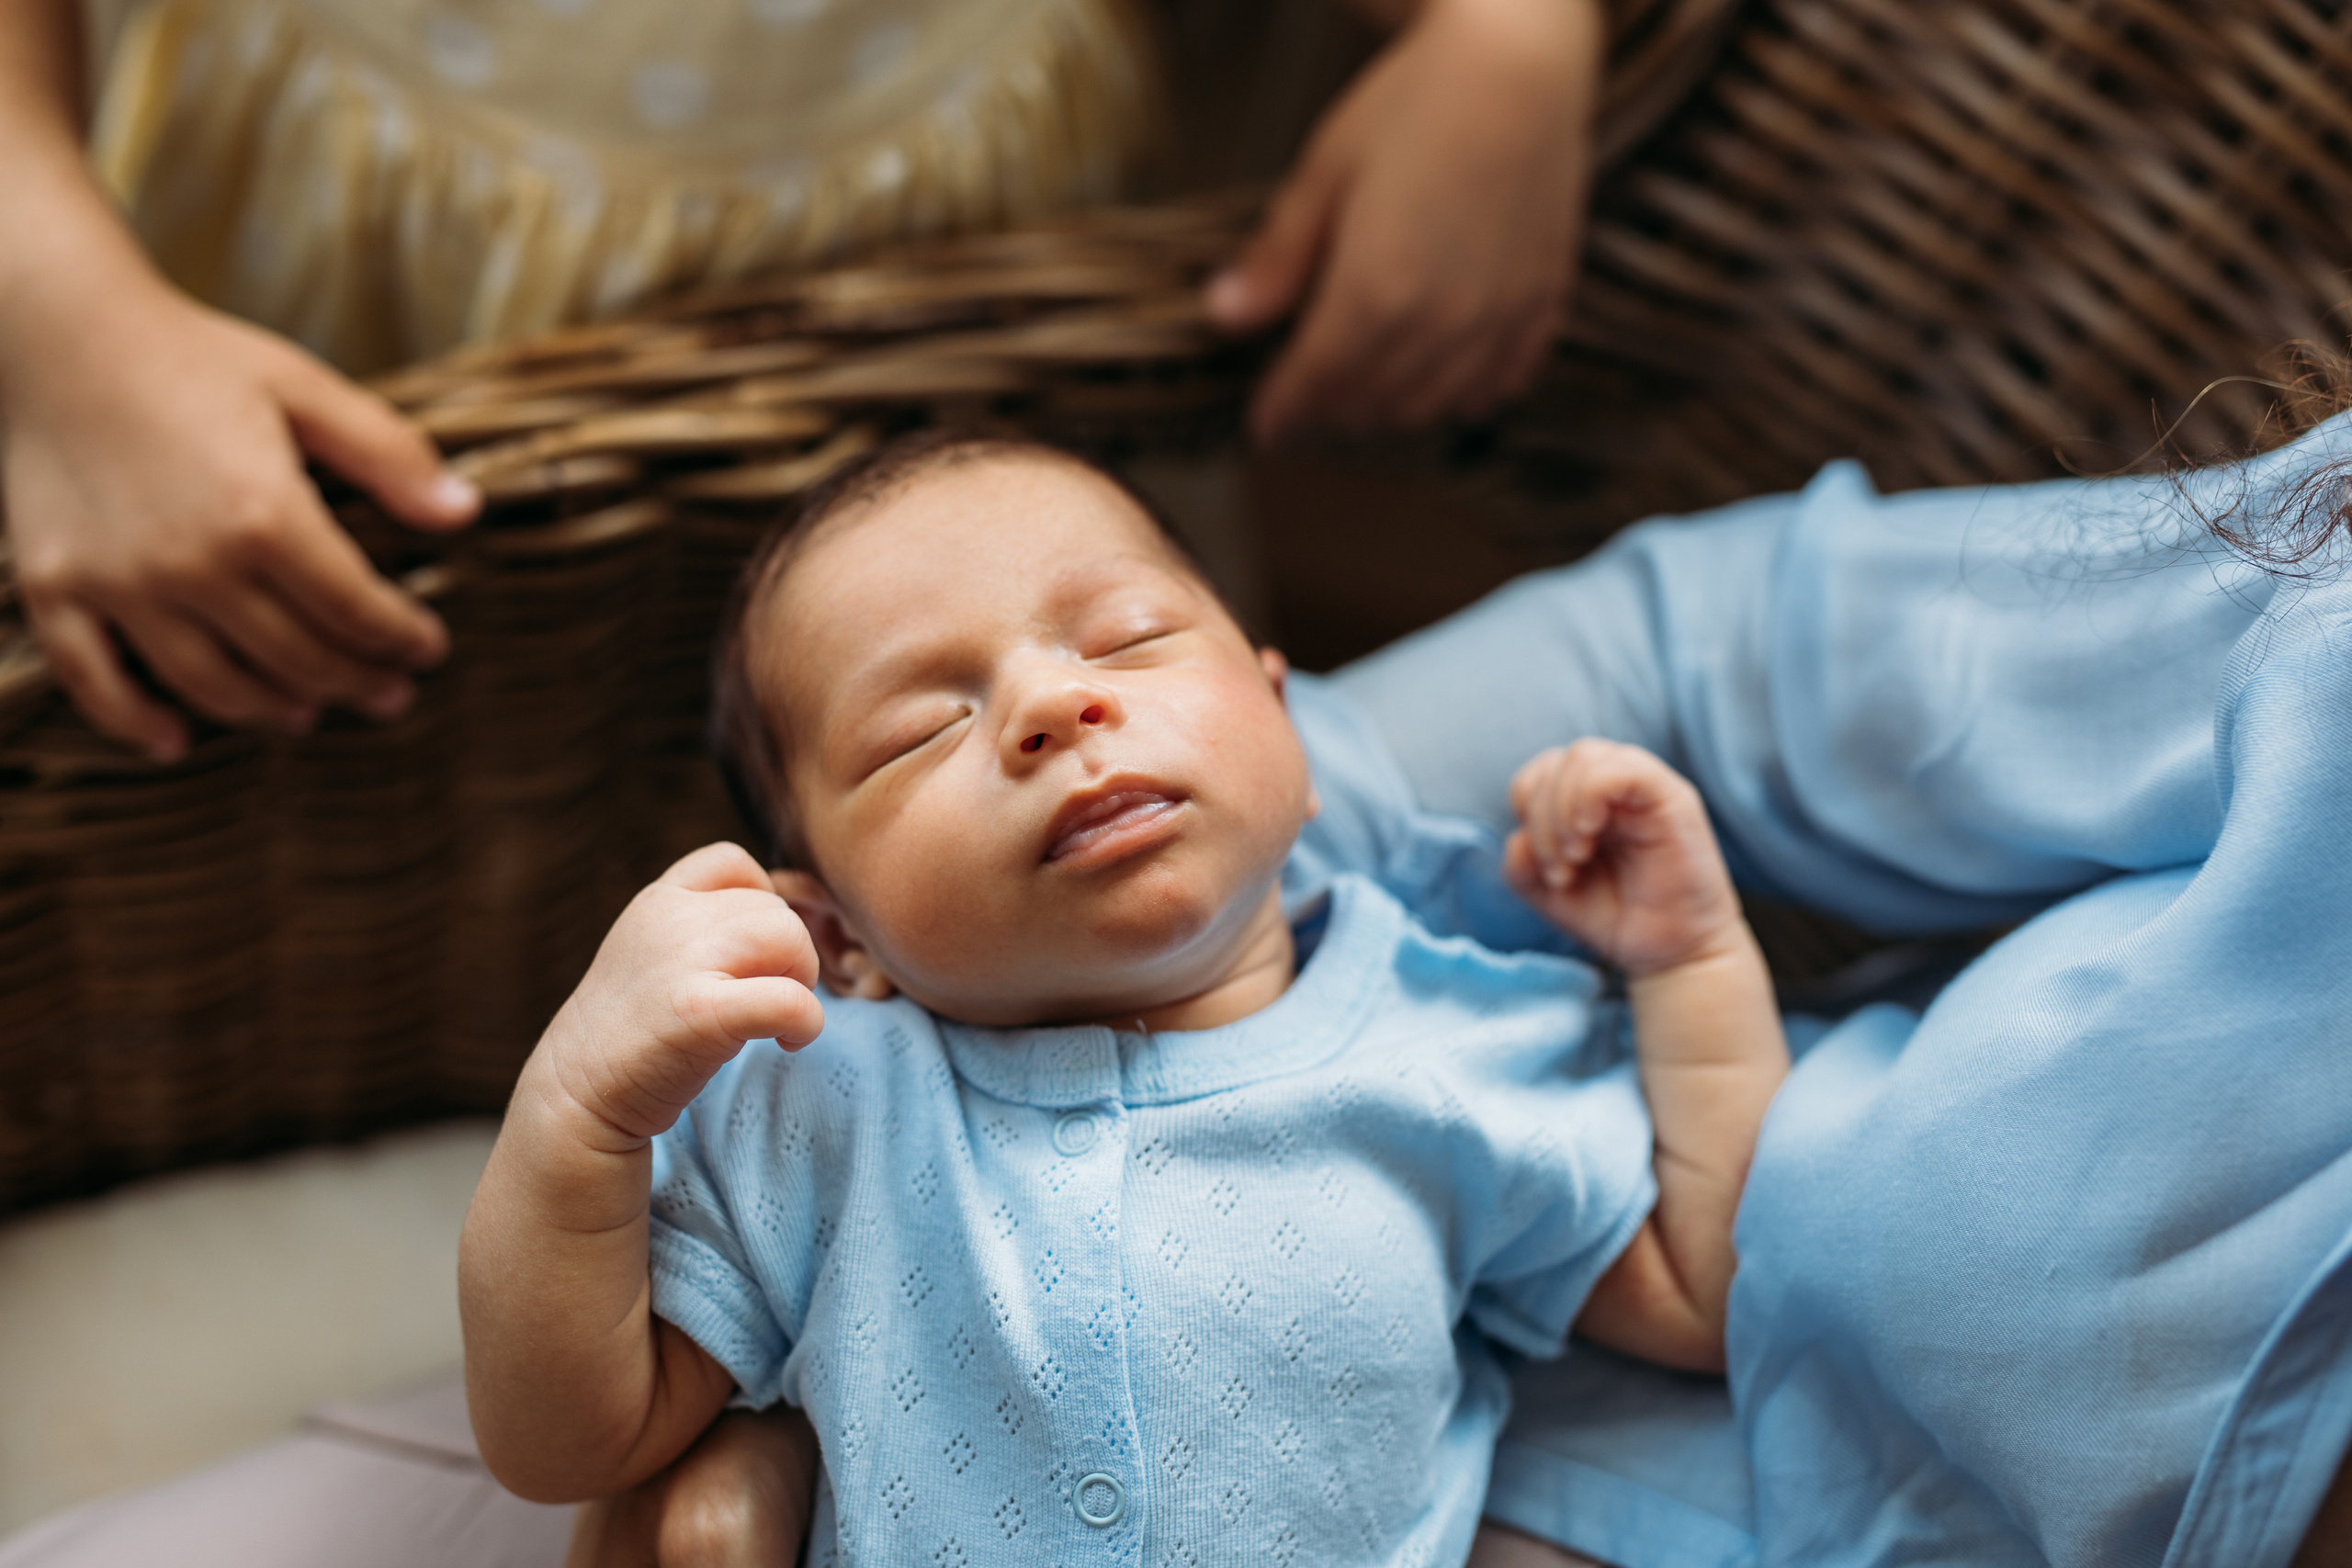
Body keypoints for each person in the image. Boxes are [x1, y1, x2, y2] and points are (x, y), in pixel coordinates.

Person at [456, 432, 1790, 1565]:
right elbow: (570, 1437)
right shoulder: (823, 1100)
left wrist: (1687, 960)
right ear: (837, 931)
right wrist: (579, 1119)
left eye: (1129, 639)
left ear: (1298, 736)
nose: (1053, 702)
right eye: (921, 729)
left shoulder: (1441, 1039)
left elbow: (1706, 1293)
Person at [0, 0, 1602, 762]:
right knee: (381, 757)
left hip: (970, 288)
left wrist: (1508, 34)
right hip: (279, 324)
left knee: (991, 769)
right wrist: (52, 304)